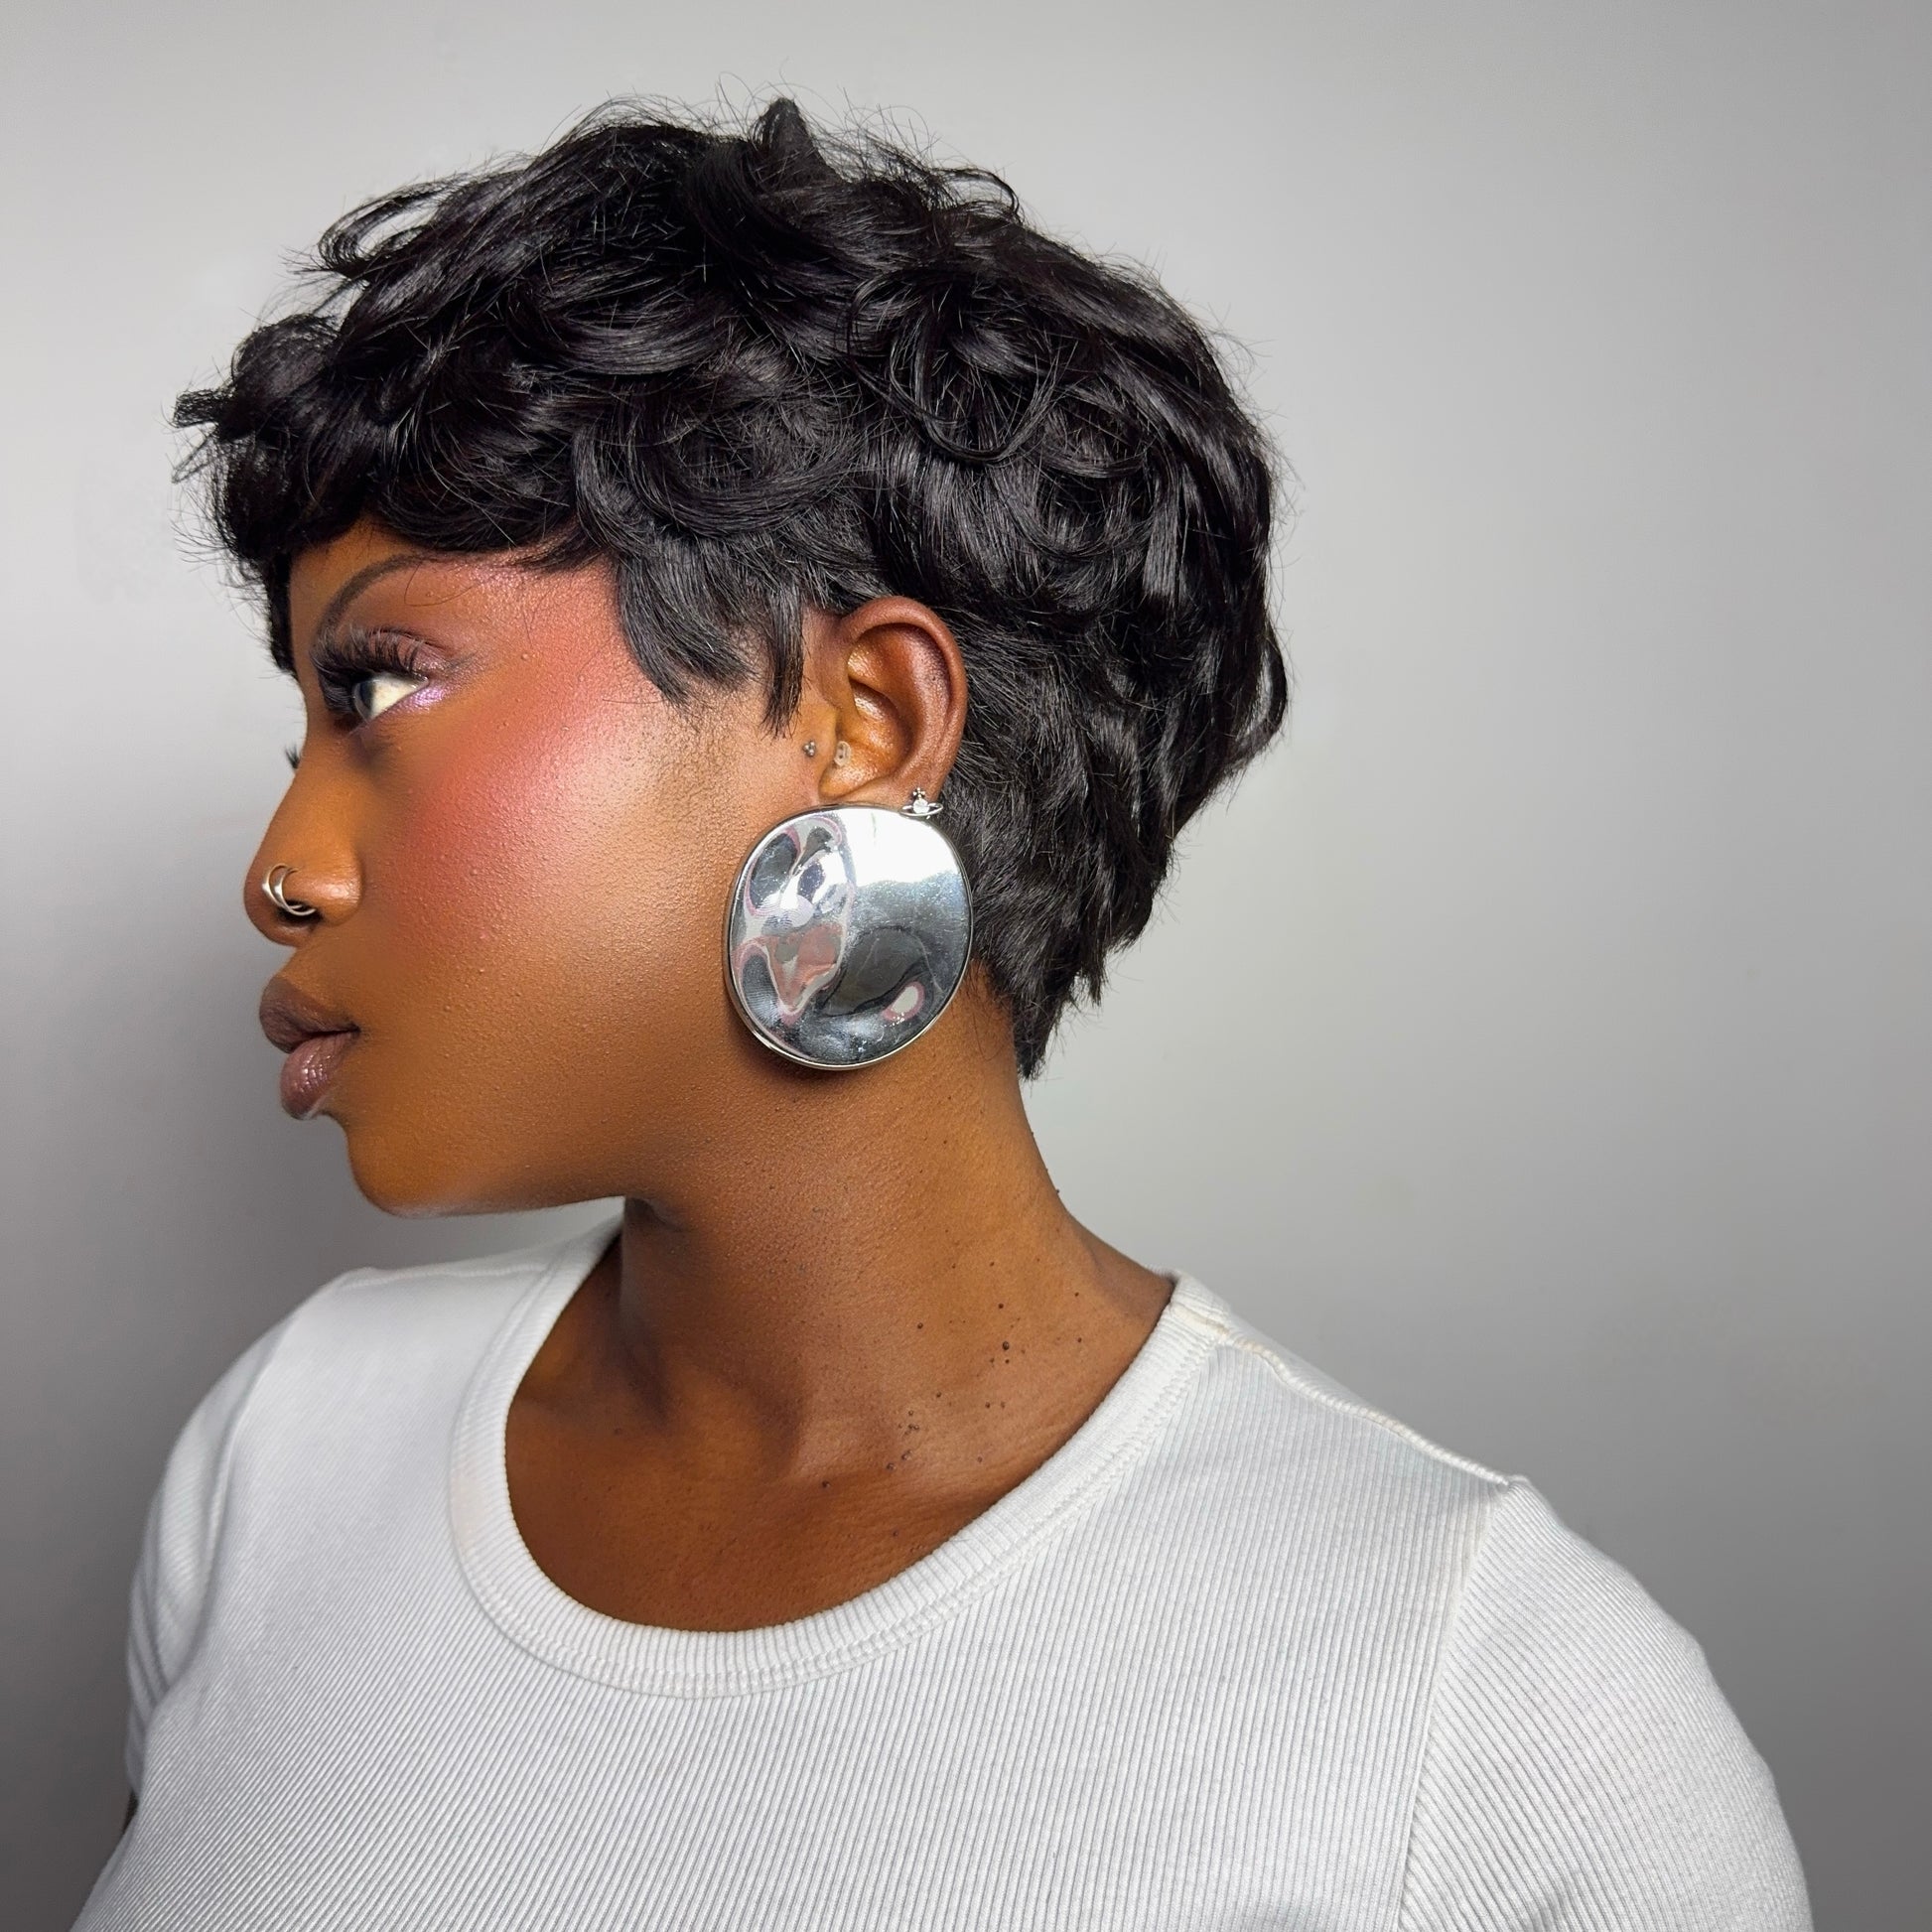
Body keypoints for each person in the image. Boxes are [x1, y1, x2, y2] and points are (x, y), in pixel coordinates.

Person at [77, 98, 1810, 1930]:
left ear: (865, 721)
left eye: (376, 690)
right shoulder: (289, 1449)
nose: (281, 869)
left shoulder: (1497, 1712)